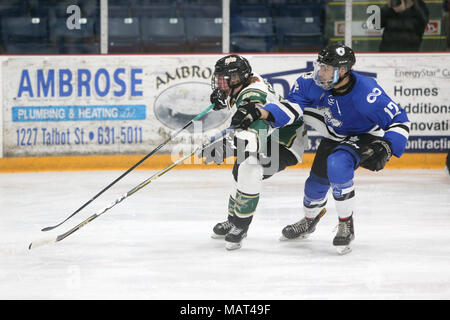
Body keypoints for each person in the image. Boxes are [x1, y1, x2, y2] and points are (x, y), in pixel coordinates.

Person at [258, 44, 411, 254]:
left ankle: (346, 224)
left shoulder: (367, 93)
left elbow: (399, 120)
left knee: (338, 163)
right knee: (313, 187)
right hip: (335, 135)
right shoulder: (309, 83)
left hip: (364, 136)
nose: (321, 73)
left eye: (327, 69)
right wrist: (264, 114)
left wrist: (387, 145)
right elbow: (291, 107)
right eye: (320, 67)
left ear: (343, 71)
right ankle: (310, 221)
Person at [201, 54, 307, 250]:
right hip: (269, 135)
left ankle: (241, 226)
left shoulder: (254, 97)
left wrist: (223, 148)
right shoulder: (246, 81)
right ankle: (233, 220)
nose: (219, 84)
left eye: (223, 81)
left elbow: (253, 140)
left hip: (286, 142)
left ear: (236, 80)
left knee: (250, 167)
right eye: (219, 79)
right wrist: (225, 98)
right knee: (238, 171)